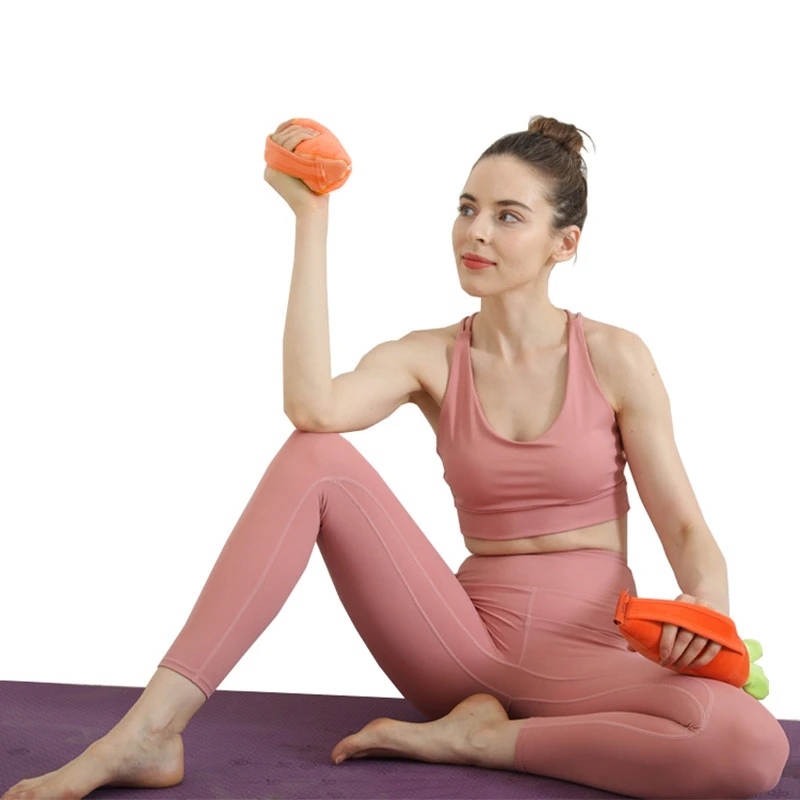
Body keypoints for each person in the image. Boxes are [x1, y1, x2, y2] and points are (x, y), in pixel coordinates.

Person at [3, 116, 790, 800]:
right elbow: (314, 407)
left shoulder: (617, 357)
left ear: (565, 242)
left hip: (589, 655)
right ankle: (149, 732)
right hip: (458, 644)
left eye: (508, 216)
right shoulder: (429, 357)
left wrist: (706, 612)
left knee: (750, 745)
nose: (476, 232)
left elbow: (686, 530)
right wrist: (312, 220)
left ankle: (484, 742)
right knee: (316, 455)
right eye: (467, 208)